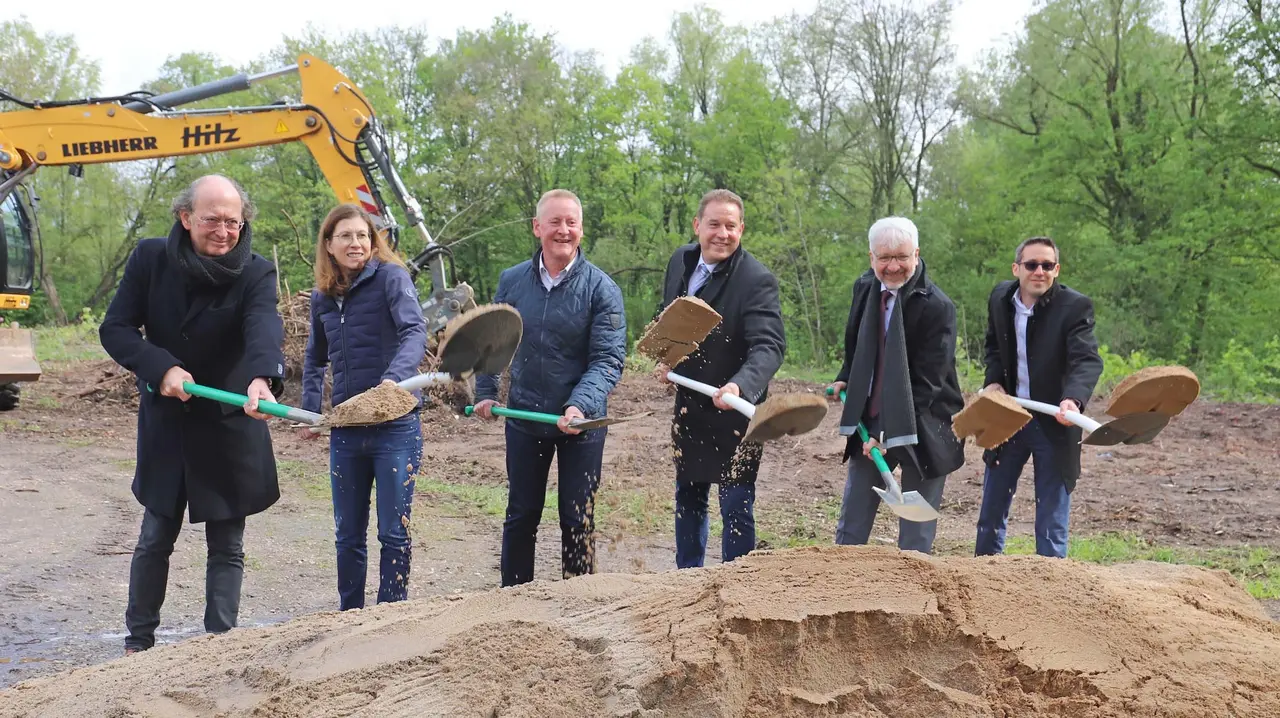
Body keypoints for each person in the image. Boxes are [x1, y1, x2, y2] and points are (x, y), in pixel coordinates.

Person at [99, 174, 285, 654]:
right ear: (185, 217)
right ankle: (138, 643)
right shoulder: (149, 258)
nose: (224, 232)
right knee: (155, 535)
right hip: (169, 422)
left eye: (233, 222)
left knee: (227, 543)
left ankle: (216, 648)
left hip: (229, 424)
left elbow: (263, 324)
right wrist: (160, 367)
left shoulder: (257, 272)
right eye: (212, 221)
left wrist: (264, 376)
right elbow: (116, 328)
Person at [473, 189, 627, 587]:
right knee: (521, 514)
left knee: (577, 518)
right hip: (525, 417)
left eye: (571, 222)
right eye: (555, 222)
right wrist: (486, 392)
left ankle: (577, 606)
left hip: (581, 424)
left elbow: (607, 361)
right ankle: (513, 602)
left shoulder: (602, 289)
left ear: (581, 229)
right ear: (537, 227)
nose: (563, 230)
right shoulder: (511, 281)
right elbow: (494, 340)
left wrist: (580, 406)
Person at [300, 204, 427, 610]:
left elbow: (414, 330)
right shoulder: (322, 297)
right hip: (346, 430)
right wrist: (308, 411)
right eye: (346, 237)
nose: (356, 243)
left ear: (373, 242)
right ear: (329, 245)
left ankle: (390, 614)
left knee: (393, 531)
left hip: (395, 426)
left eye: (362, 235)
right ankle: (348, 616)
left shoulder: (392, 278)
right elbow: (315, 358)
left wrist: (396, 376)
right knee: (347, 534)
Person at [655, 189, 785, 569]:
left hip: (737, 412)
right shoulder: (680, 261)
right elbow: (671, 319)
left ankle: (737, 584)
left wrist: (740, 386)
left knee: (736, 503)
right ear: (698, 225)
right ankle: (687, 579)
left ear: (741, 229)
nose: (722, 234)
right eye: (714, 224)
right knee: (689, 498)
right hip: (691, 405)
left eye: (731, 226)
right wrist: (667, 360)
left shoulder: (757, 279)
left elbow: (770, 346)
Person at [826, 216, 964, 554]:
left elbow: (928, 382)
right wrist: (846, 374)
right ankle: (841, 590)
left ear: (916, 254)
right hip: (872, 416)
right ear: (871, 257)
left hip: (926, 421)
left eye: (902, 257)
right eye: (884, 258)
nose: (893, 266)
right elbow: (857, 343)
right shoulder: (865, 288)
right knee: (851, 527)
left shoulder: (937, 307)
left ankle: (914, 598)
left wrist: (888, 433)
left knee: (915, 536)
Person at [976, 236, 1103, 558]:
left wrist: (1072, 399)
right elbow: (993, 347)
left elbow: (1085, 359)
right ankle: (983, 579)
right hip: (1009, 417)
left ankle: (1053, 591)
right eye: (1032, 264)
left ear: (1057, 270)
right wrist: (993, 382)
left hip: (1054, 422)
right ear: (1017, 268)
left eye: (1047, 265)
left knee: (1051, 520)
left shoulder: (1074, 307)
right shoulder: (1000, 298)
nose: (1040, 271)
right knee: (990, 513)